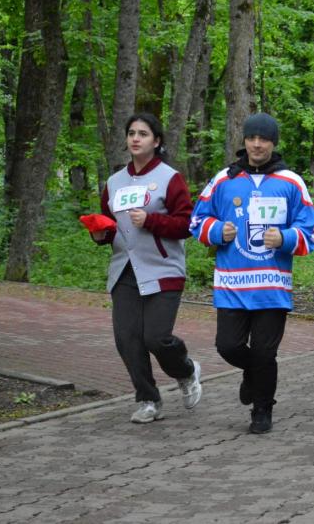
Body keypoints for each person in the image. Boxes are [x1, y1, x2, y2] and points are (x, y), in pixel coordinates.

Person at [190, 113, 314, 434]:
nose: (257, 144)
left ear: (273, 142)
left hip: (272, 287)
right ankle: (252, 373)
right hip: (232, 285)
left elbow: (312, 231)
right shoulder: (224, 180)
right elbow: (196, 221)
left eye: (264, 139)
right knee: (228, 347)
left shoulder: (291, 181)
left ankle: (263, 409)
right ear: (244, 140)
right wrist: (218, 230)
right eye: (252, 138)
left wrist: (287, 238)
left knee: (265, 352)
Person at [91, 113, 203, 423]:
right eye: (131, 133)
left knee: (156, 338)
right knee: (127, 338)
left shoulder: (170, 178)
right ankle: (148, 400)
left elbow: (186, 225)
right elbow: (112, 225)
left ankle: (187, 370)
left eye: (143, 133)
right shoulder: (114, 183)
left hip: (163, 269)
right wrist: (101, 234)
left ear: (156, 141)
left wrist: (151, 220)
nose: (136, 138)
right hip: (124, 270)